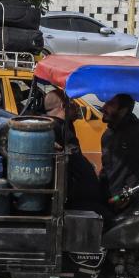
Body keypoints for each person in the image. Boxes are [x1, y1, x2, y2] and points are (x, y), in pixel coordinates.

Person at [43, 90, 110, 220]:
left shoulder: (55, 126)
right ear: (63, 106)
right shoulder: (60, 129)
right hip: (69, 201)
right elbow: (78, 163)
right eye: (73, 103)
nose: (77, 106)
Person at [99, 93, 139, 213]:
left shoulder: (137, 134)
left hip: (125, 208)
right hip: (105, 203)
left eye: (110, 104)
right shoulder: (108, 134)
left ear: (123, 110)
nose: (104, 107)